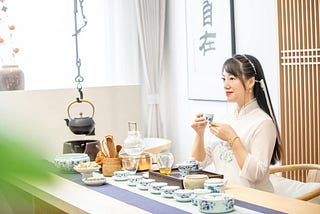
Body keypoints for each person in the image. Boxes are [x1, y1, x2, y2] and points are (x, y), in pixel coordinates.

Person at [191, 54, 281, 192]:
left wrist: (232, 138)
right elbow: (199, 163)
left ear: (250, 82)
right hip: (224, 196)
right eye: (224, 79)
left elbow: (256, 175)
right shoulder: (225, 119)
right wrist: (199, 134)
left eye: (232, 78)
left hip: (255, 201)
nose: (226, 85)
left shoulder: (264, 123)